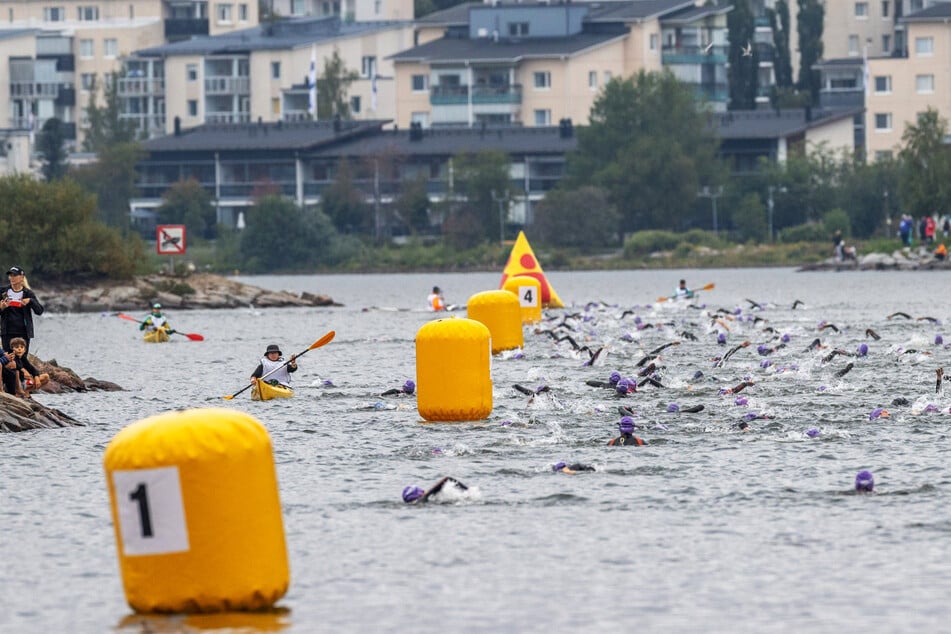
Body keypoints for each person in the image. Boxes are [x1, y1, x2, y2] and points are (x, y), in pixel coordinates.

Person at [0, 266, 44, 355]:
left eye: (15, 275)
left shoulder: (28, 293)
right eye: (10, 275)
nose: (12, 278)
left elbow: (39, 311)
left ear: (22, 277)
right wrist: (1, 307)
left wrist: (30, 301)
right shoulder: (2, 292)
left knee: (22, 360)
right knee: (8, 359)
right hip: (7, 332)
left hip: (23, 332)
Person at [402, 476, 468, 503]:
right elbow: (447, 479)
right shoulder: (422, 499)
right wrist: (468, 490)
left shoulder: (418, 502)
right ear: (419, 493)